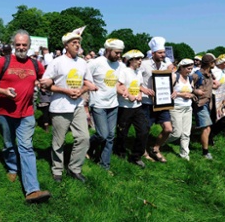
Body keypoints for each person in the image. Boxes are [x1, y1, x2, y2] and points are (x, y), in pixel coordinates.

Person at [0, 30, 51, 203]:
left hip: (27, 113)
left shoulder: (36, 64)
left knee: (26, 147)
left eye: (24, 45)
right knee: (8, 144)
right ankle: (12, 167)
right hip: (5, 112)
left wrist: (46, 82)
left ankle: (32, 190)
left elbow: (45, 79)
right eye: (18, 44)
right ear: (14, 45)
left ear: (29, 46)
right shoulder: (2, 62)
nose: (21, 47)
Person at [41, 26, 93, 183]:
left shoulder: (83, 63)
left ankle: (74, 168)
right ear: (66, 45)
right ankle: (57, 170)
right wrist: (65, 91)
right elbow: (46, 84)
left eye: (78, 42)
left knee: (84, 137)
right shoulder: (57, 62)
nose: (77, 45)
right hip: (60, 106)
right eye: (74, 42)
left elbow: (88, 82)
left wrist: (82, 90)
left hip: (77, 105)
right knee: (59, 140)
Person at [87, 38, 125, 173]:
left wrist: (124, 90)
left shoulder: (120, 65)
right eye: (117, 53)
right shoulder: (95, 63)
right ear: (108, 50)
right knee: (102, 134)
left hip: (113, 104)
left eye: (121, 53)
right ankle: (88, 146)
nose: (119, 56)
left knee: (110, 136)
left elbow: (120, 83)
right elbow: (84, 78)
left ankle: (104, 165)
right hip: (98, 103)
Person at [140, 36, 174, 163]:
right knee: (145, 129)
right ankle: (143, 151)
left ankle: (155, 148)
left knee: (168, 128)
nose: (163, 55)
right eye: (160, 53)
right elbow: (135, 80)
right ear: (153, 53)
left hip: (162, 102)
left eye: (164, 52)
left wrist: (173, 90)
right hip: (147, 102)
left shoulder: (166, 66)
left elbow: (171, 83)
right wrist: (143, 89)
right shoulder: (144, 64)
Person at [114, 50, 149, 168]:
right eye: (137, 59)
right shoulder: (124, 72)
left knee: (143, 130)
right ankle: (120, 153)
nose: (140, 61)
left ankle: (136, 156)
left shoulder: (138, 72)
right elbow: (118, 86)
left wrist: (140, 94)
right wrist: (128, 95)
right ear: (130, 60)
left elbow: (138, 86)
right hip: (125, 107)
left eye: (141, 59)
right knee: (122, 133)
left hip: (137, 107)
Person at [168, 59, 195, 161]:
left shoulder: (190, 79)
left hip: (188, 108)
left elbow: (191, 92)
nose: (190, 71)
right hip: (176, 107)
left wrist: (190, 95)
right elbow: (168, 91)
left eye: (191, 69)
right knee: (176, 133)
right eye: (188, 69)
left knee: (186, 133)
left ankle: (184, 154)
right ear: (181, 67)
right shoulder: (175, 76)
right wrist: (181, 94)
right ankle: (159, 143)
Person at [191, 53, 217, 159]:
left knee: (206, 127)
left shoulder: (210, 74)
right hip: (200, 104)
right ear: (210, 63)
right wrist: (195, 91)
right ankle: (205, 152)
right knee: (206, 128)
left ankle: (187, 132)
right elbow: (186, 87)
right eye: (214, 62)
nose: (215, 63)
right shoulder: (197, 75)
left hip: (208, 103)